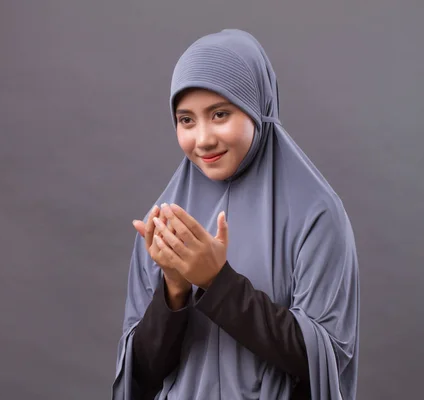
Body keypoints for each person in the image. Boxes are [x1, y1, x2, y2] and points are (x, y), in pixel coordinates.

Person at [112, 29, 359, 400]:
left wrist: (217, 281)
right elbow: (143, 376)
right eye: (186, 120)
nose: (203, 139)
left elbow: (322, 360)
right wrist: (174, 292)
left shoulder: (317, 215)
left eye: (220, 114)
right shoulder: (165, 220)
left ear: (258, 107)